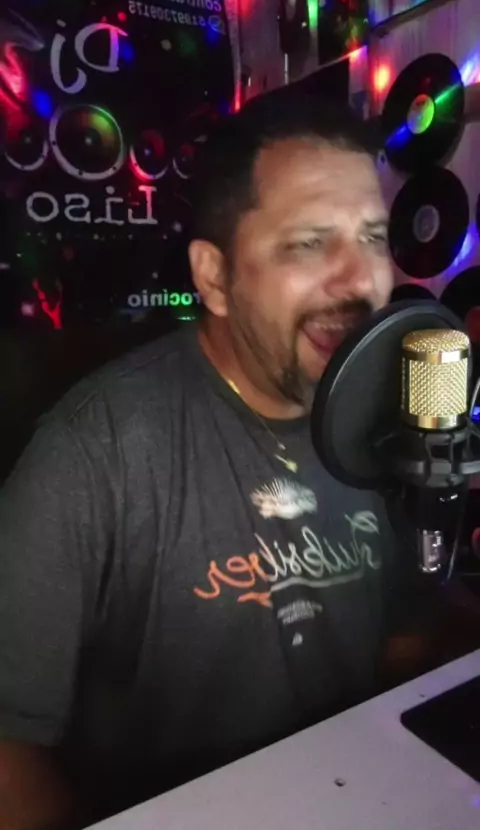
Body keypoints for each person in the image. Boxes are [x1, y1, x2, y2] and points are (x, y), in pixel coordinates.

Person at [0, 91, 465, 830]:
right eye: (309, 243)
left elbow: (406, 641)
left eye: (373, 237)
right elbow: (7, 750)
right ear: (214, 278)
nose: (361, 281)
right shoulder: (96, 449)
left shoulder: (394, 414)